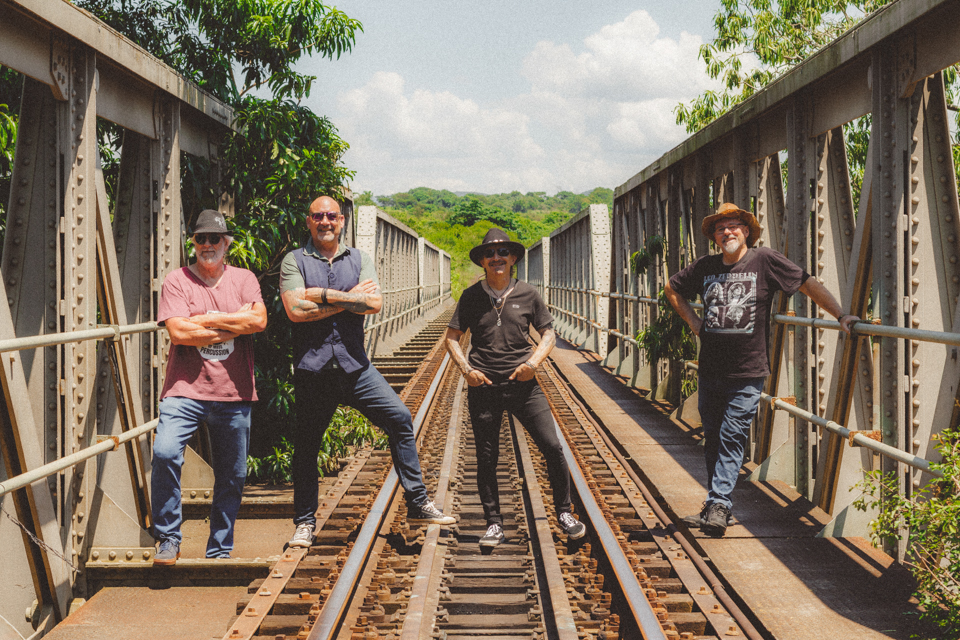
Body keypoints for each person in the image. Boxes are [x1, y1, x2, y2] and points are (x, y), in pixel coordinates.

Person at [664, 202, 859, 537]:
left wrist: (840, 315)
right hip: (710, 370)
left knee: (732, 435)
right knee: (713, 439)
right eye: (720, 227)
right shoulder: (706, 266)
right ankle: (716, 504)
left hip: (748, 371)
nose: (727, 231)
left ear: (747, 231)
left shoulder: (764, 260)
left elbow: (806, 283)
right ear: (713, 236)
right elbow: (671, 288)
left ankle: (720, 503)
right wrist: (695, 324)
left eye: (734, 226)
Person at [280, 196, 455, 548]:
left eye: (331, 216)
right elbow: (296, 311)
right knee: (306, 448)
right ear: (308, 221)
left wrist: (321, 295)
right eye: (318, 216)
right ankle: (304, 523)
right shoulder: (293, 260)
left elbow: (374, 304)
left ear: (342, 221)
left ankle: (418, 501)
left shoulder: (360, 258)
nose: (325, 221)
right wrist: (347, 299)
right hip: (313, 370)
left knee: (400, 418)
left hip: (355, 367)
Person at [445, 228, 586, 548]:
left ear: (513, 259)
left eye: (503, 253)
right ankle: (494, 523)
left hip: (524, 386)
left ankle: (564, 513)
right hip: (485, 386)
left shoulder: (528, 294)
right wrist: (466, 370)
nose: (497, 258)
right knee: (486, 456)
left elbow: (548, 335)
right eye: (490, 254)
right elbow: (452, 337)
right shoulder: (471, 297)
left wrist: (533, 363)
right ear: (482, 261)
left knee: (552, 445)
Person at [152, 209, 268, 565]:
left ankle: (219, 548)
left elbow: (259, 320)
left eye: (213, 238)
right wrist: (235, 322)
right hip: (184, 389)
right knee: (165, 452)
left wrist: (208, 319)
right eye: (200, 238)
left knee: (232, 475)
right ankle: (168, 538)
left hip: (233, 392)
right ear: (193, 243)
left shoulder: (244, 279)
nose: (206, 245)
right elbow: (179, 332)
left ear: (226, 243)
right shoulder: (177, 281)